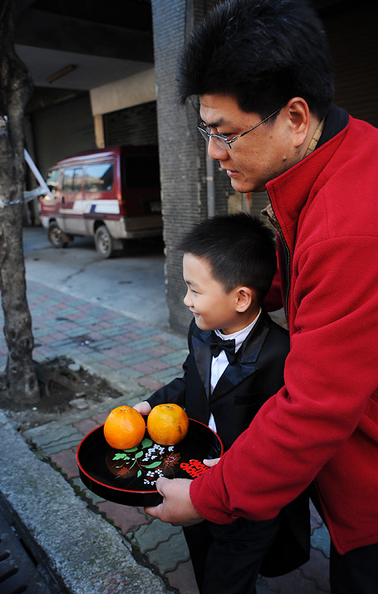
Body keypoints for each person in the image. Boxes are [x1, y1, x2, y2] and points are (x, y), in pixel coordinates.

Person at [144, 0, 378, 593]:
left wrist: (209, 497)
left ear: (294, 116)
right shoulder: (336, 160)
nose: (213, 152)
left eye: (226, 133)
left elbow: (314, 406)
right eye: (206, 131)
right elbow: (302, 277)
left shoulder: (353, 222)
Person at [135, 213, 309, 593]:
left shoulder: (282, 354)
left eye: (195, 291)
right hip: (193, 471)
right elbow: (190, 382)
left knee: (226, 579)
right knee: (201, 552)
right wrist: (148, 407)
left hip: (245, 492)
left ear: (241, 297)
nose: (186, 300)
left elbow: (284, 435)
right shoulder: (200, 334)